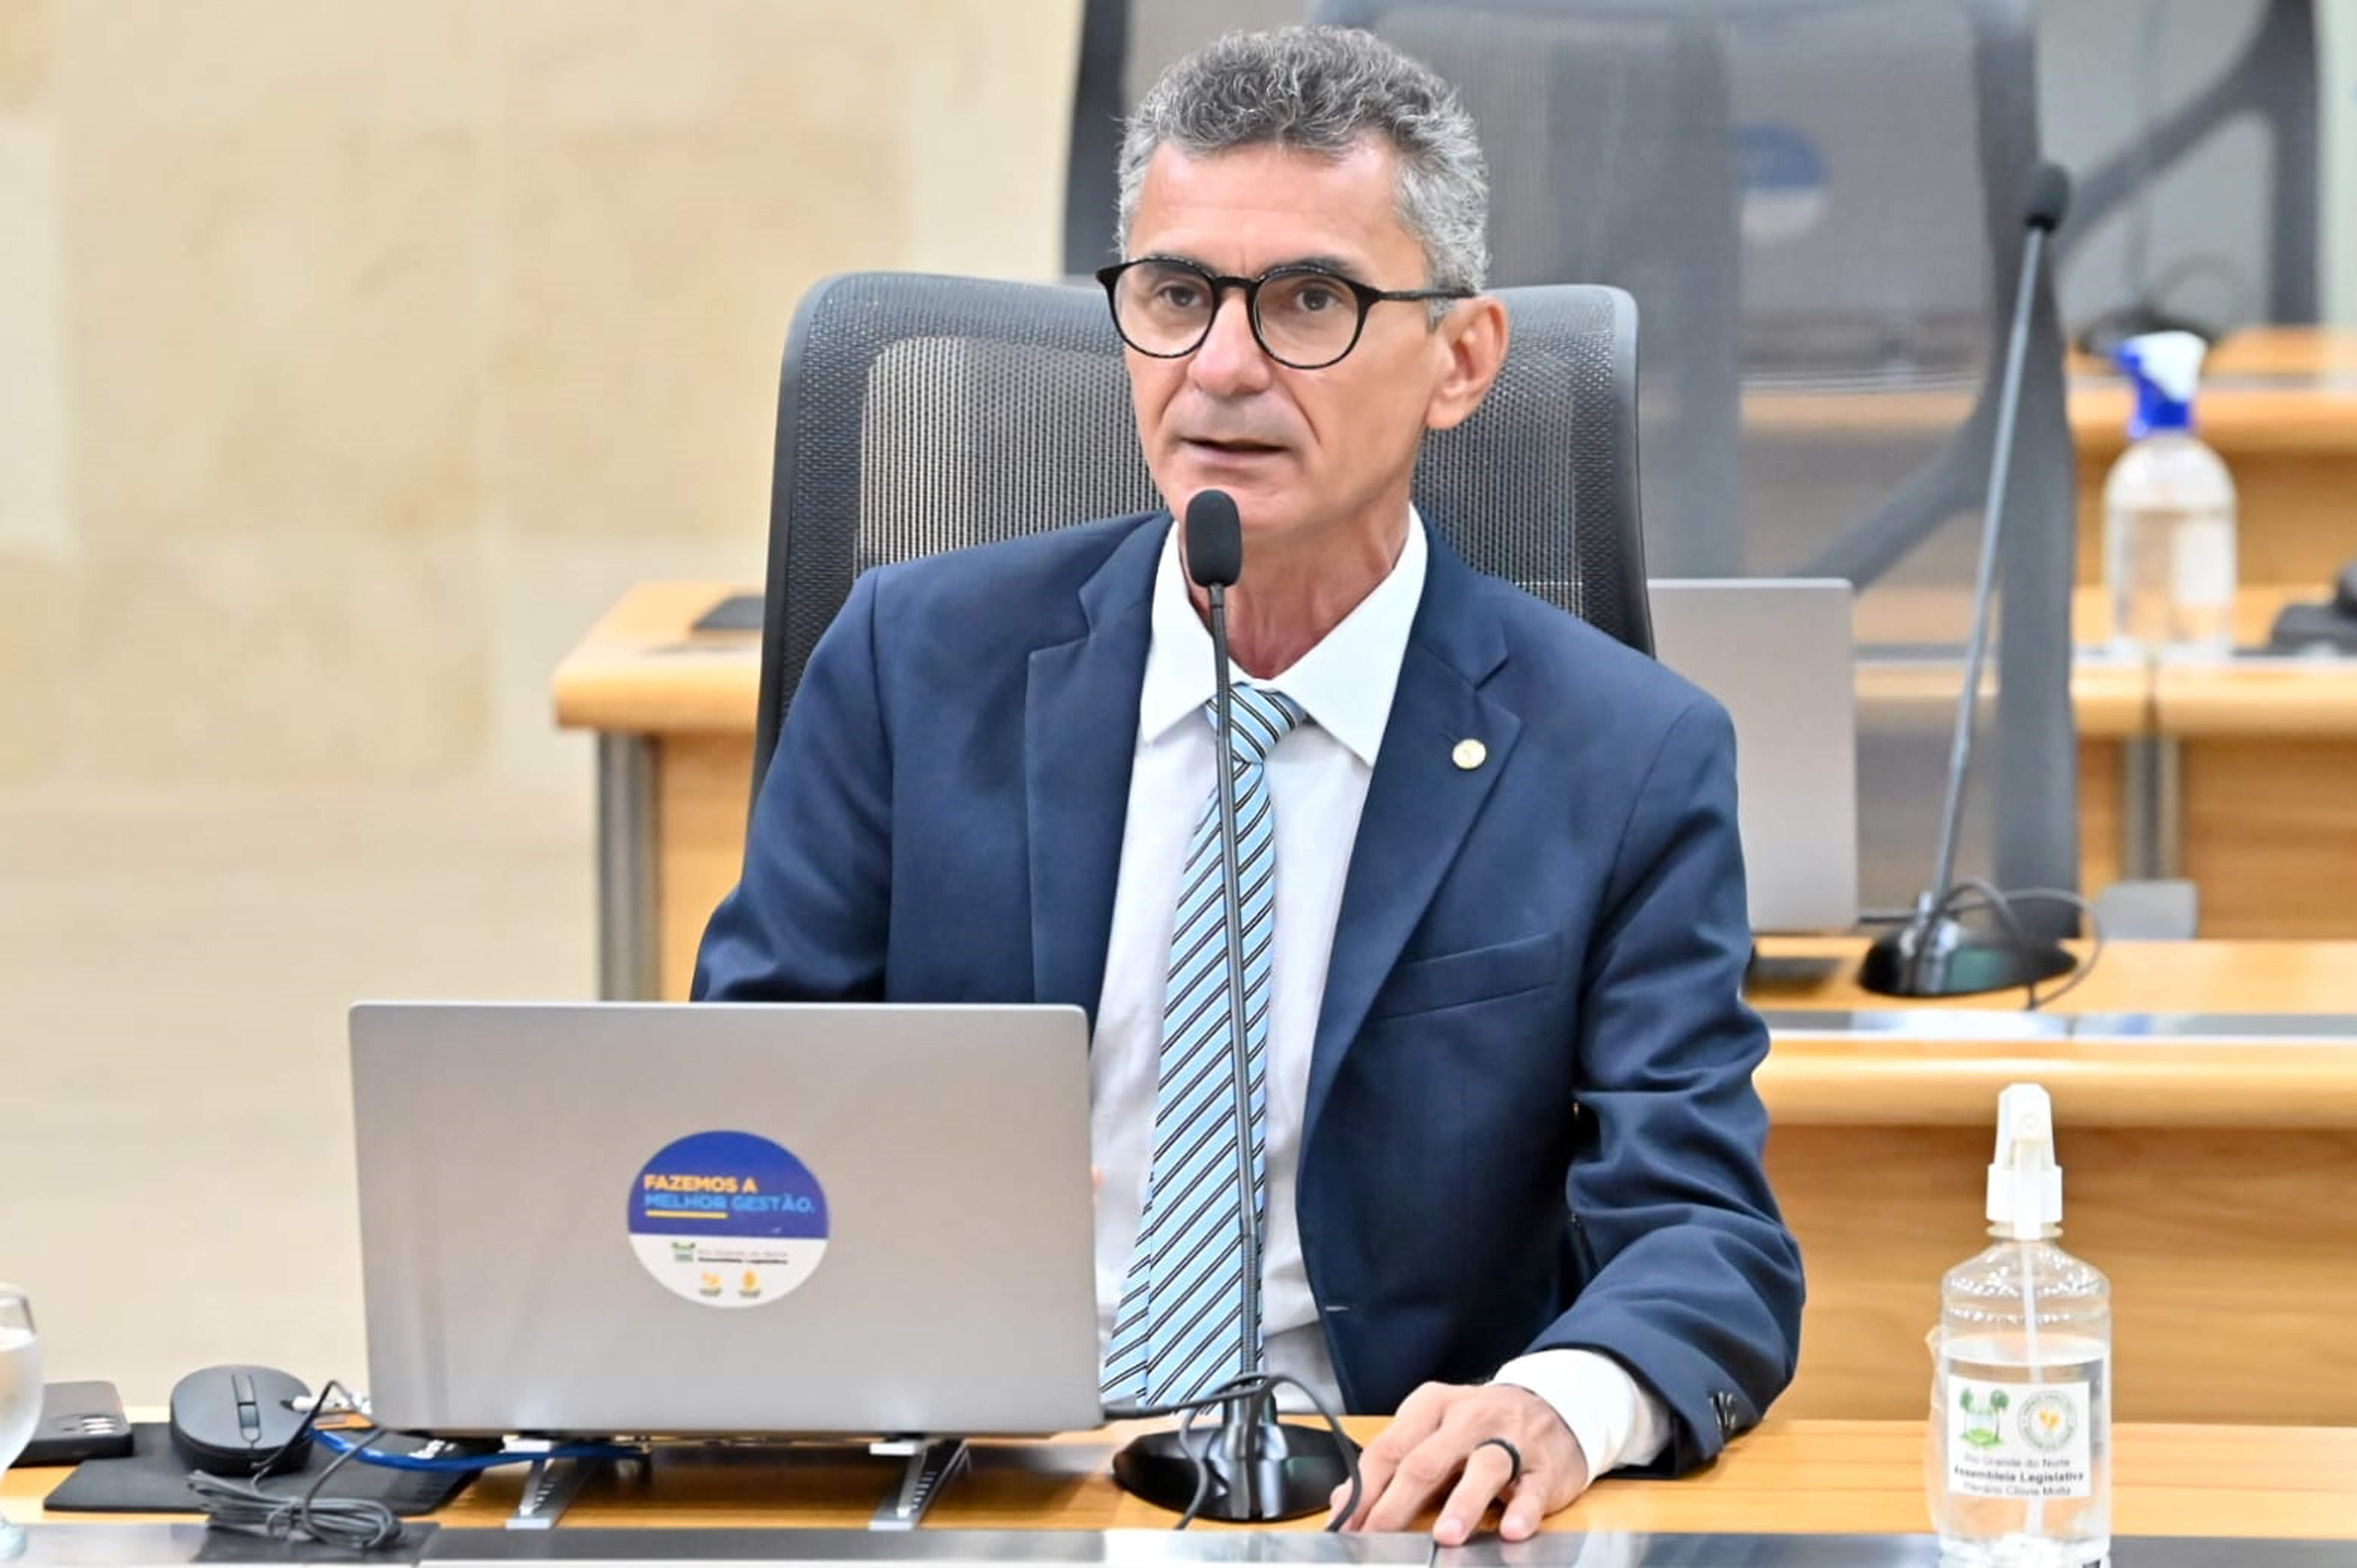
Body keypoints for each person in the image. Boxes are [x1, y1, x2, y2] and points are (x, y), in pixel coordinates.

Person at [695, 24, 1802, 1543]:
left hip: (1369, 1504)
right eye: (1176, 296)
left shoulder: (1625, 754)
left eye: (1309, 303)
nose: (1221, 368)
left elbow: (1706, 1232)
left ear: (1463, 360)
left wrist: (1562, 1402)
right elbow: (743, 1116)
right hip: (972, 1480)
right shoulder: (913, 663)